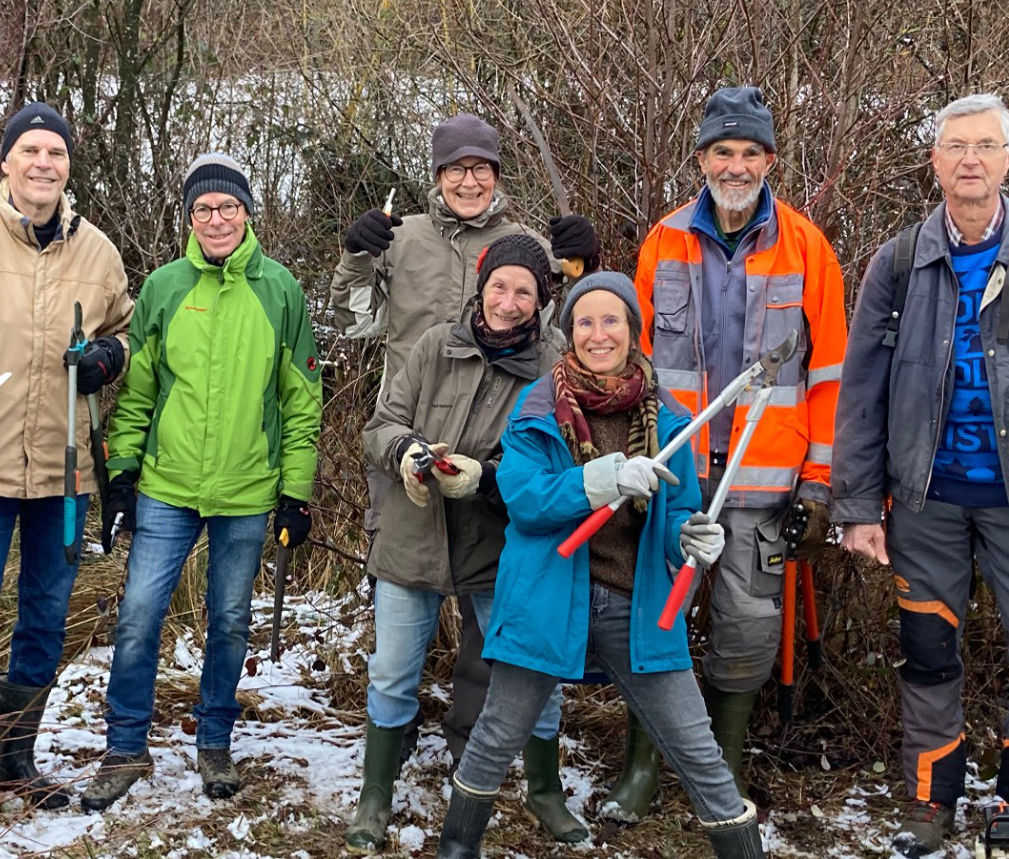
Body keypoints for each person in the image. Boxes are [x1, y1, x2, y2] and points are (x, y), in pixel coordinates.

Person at [331, 113, 641, 830]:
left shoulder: (531, 252)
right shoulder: (403, 237)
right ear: (435, 174)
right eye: (454, 167)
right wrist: (354, 256)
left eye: (481, 167)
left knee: (509, 644)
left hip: (503, 483)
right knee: (400, 643)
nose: (468, 179)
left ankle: (488, 757)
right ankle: (388, 771)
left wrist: (584, 269)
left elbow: (577, 347)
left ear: (498, 175)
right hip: (411, 444)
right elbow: (355, 321)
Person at [435, 272, 764, 858]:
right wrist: (597, 479)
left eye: (611, 320)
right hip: (546, 599)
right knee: (496, 736)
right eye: (584, 322)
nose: (598, 334)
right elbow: (525, 499)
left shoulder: (671, 421)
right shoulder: (536, 411)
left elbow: (678, 511)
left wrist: (689, 539)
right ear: (569, 335)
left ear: (634, 332)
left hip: (636, 607)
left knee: (698, 750)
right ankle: (456, 849)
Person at [79, 152, 322, 811]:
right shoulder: (164, 287)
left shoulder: (280, 291)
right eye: (202, 208)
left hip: (247, 490)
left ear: (247, 211)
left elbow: (301, 399)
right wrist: (123, 474)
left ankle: (215, 739)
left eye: (228, 206)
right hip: (168, 486)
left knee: (231, 618)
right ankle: (124, 745)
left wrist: (295, 491)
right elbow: (139, 393)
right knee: (137, 616)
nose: (216, 218)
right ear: (189, 217)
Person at [634, 86, 847, 793]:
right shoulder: (662, 241)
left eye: (749, 152)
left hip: (765, 481)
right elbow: (633, 367)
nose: (734, 166)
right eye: (721, 151)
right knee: (651, 620)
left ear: (769, 160)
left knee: (746, 631)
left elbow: (830, 377)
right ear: (700, 158)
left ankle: (718, 771)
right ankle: (641, 765)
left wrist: (818, 482)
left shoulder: (807, 248)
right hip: (675, 479)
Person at [347, 235, 584, 853]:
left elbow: (557, 459)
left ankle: (544, 788)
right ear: (481, 287)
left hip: (501, 544)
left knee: (533, 670)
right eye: (499, 286)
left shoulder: (553, 366)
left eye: (524, 292)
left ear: (540, 302)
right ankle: (375, 796)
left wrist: (489, 475)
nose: (508, 302)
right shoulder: (434, 345)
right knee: (395, 672)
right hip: (412, 535)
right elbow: (381, 425)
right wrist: (408, 454)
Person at [832, 92, 1009, 857]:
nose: (969, 158)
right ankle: (929, 801)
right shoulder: (898, 261)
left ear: (1005, 160)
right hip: (925, 498)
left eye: (985, 144)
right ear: (933, 162)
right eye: (955, 145)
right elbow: (860, 390)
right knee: (929, 655)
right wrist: (856, 504)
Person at [0, 101, 133, 809]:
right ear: (7, 162)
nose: (44, 163)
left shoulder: (99, 251)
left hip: (63, 470)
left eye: (56, 152)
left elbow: (128, 332)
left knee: (45, 614)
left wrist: (110, 356)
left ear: (68, 166)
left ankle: (14, 755)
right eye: (31, 151)